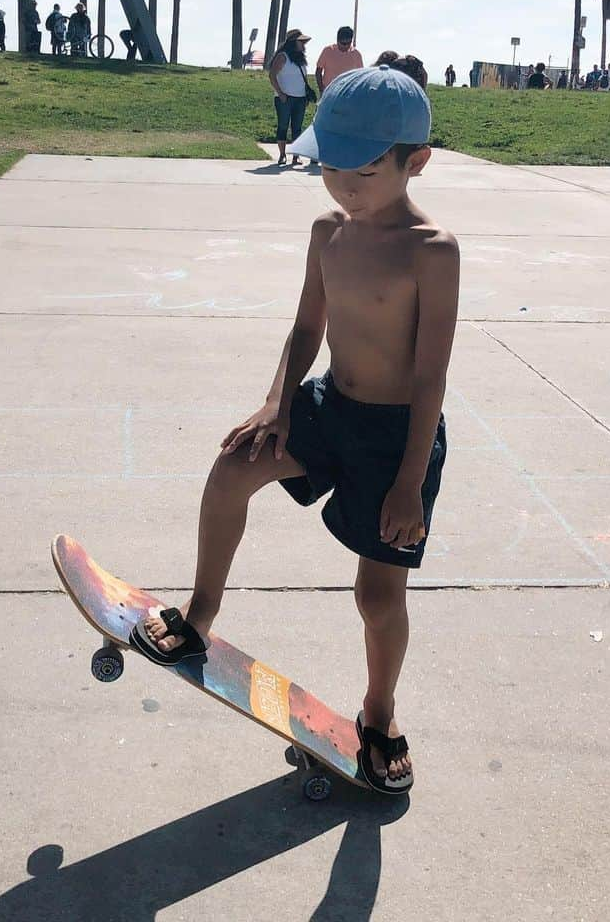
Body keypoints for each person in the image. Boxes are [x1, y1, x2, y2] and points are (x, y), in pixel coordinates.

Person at [131, 65, 456, 795]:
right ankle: (200, 613)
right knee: (232, 471)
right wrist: (278, 403)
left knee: (377, 597)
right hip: (326, 407)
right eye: (329, 166)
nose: (343, 185)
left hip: (397, 437)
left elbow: (431, 375)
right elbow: (308, 326)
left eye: (363, 171)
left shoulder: (433, 251)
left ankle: (380, 711)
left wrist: (410, 482)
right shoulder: (328, 232)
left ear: (417, 162)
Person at [268, 28, 313, 167]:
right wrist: (280, 93)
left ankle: (296, 156)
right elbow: (272, 75)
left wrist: (305, 96)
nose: (303, 45)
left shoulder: (301, 60)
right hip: (285, 98)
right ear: (293, 42)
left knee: (297, 128)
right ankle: (282, 154)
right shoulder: (283, 57)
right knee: (283, 126)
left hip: (300, 98)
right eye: (301, 42)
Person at [315, 26, 364, 95]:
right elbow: (318, 71)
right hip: (329, 93)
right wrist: (321, 89)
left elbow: (360, 76)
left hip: (347, 94)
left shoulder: (356, 55)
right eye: (343, 44)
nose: (346, 46)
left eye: (348, 43)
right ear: (337, 40)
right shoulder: (328, 51)